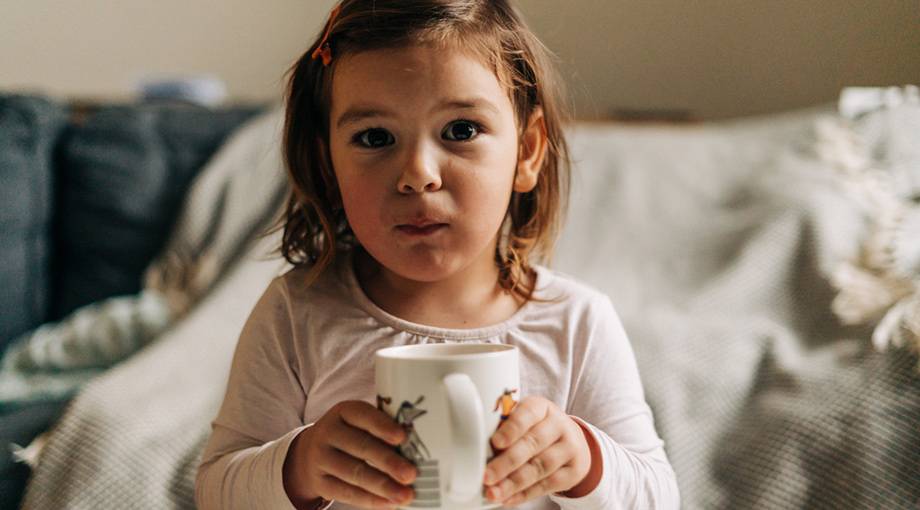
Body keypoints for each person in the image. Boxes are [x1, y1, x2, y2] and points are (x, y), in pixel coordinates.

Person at [195, 1, 680, 508]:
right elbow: (216, 490)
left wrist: (583, 460)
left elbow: (658, 496)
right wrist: (298, 467)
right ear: (327, 166)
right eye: (375, 137)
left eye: (461, 130)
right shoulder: (296, 315)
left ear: (528, 151)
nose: (417, 173)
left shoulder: (577, 323)